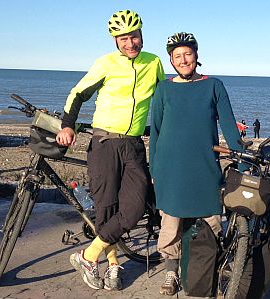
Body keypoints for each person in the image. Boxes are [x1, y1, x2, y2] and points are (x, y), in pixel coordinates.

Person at [56, 9, 165, 291]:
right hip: (104, 144)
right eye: (124, 38)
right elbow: (78, 93)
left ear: (142, 35)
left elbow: (166, 97)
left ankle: (87, 255)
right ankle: (114, 265)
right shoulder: (105, 63)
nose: (131, 43)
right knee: (106, 208)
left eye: (135, 36)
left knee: (136, 205)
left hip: (133, 144)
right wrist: (67, 126)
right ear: (116, 40)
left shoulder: (153, 63)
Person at [149, 32, 243, 296]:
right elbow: (155, 131)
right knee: (171, 223)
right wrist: (153, 167)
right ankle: (171, 272)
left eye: (187, 54)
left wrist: (242, 158)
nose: (183, 60)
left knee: (210, 221)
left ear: (196, 55)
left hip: (204, 167)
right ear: (171, 60)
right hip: (170, 167)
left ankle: (207, 271)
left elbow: (228, 125)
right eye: (177, 56)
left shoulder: (214, 86)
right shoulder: (164, 88)